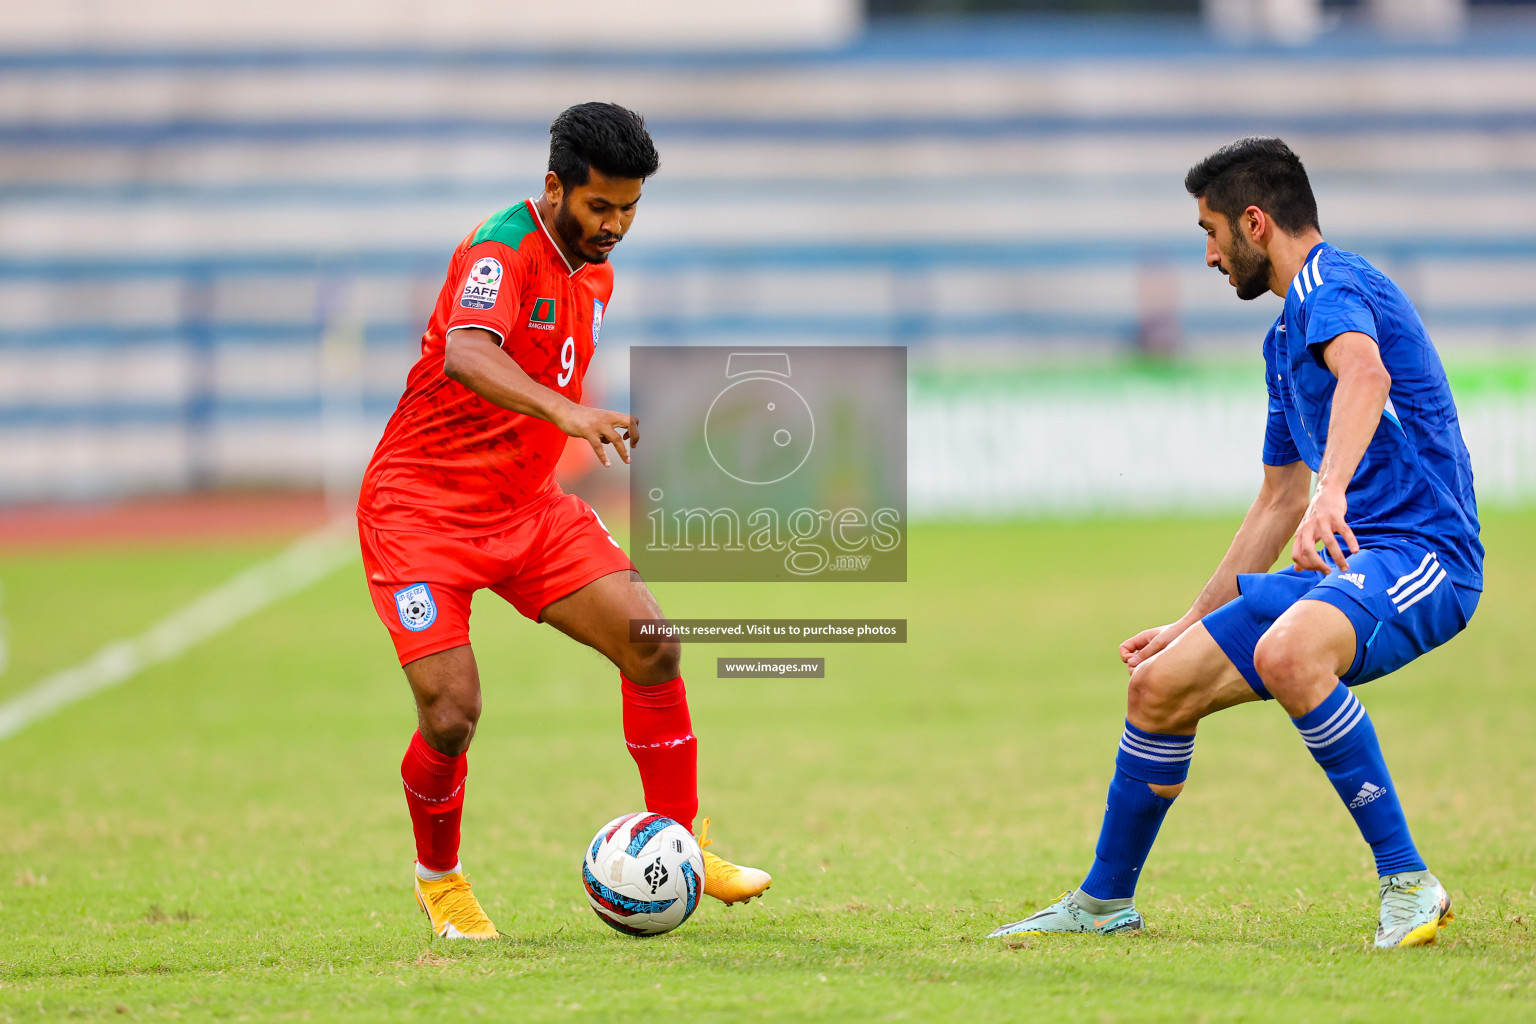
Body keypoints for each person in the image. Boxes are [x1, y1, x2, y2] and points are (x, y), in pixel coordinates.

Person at [989, 137, 1482, 949]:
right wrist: (1185, 623)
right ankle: (1104, 903)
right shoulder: (1282, 342)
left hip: (1427, 555)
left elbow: (1367, 377)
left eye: (1211, 232)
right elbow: (1276, 502)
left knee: (1292, 655)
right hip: (1354, 559)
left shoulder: (1334, 283)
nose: (1211, 255)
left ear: (1256, 222)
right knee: (1157, 687)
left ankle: (1409, 883)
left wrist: (1332, 493)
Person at [357, 102, 771, 940]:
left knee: (651, 641)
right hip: (419, 514)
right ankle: (441, 883)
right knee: (451, 711)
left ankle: (683, 843)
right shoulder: (500, 250)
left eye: (628, 210)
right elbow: (468, 354)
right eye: (599, 207)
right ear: (554, 187)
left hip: (525, 507)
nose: (615, 226)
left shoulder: (595, 269)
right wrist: (570, 412)